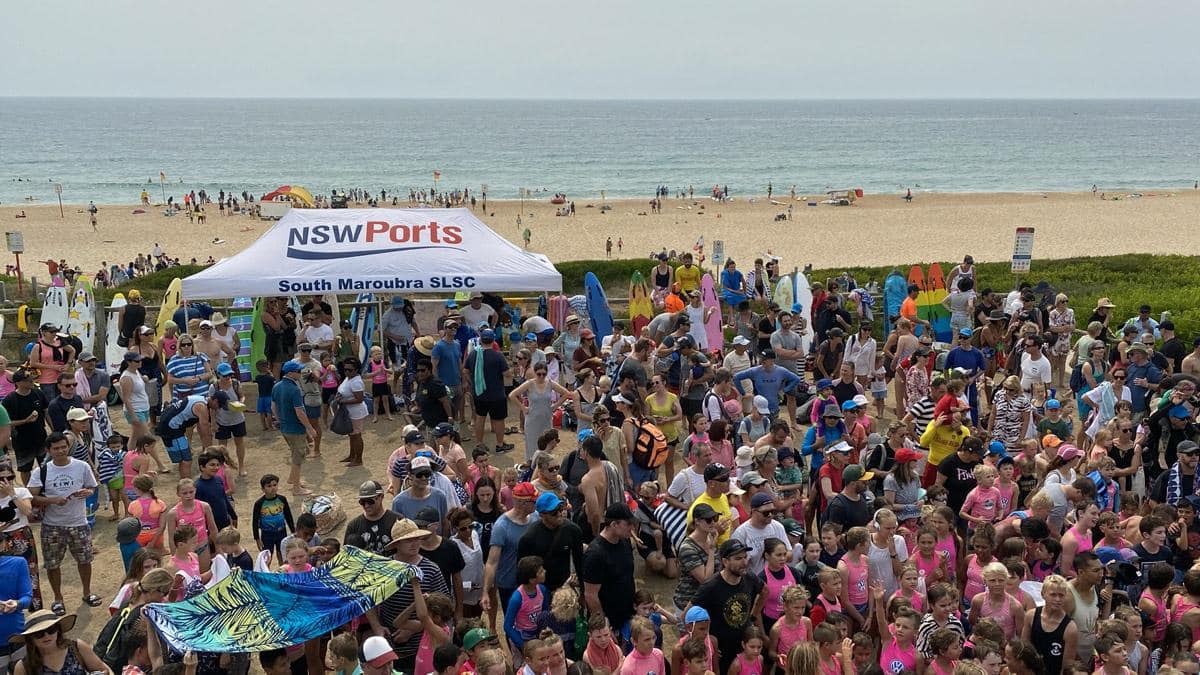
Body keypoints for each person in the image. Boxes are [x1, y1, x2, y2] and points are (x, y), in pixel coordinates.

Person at [28, 433, 100, 614]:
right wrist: (52, 500)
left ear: (68, 447)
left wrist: (87, 492)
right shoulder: (41, 471)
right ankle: (58, 598)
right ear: (48, 451)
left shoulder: (82, 466)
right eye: (56, 448)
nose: (60, 451)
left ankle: (87, 592)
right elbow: (31, 497)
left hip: (79, 522)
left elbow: (92, 487)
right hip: (52, 525)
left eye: (63, 447)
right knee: (52, 564)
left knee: (85, 560)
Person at [690, 539, 763, 675]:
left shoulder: (750, 578)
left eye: (745, 557)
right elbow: (687, 616)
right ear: (725, 562)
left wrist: (752, 616)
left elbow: (765, 591)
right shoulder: (711, 586)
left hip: (745, 646)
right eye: (738, 558)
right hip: (722, 650)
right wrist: (706, 641)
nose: (744, 562)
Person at [582, 503, 637, 635]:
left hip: (628, 614)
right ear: (613, 524)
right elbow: (590, 595)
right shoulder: (595, 554)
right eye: (628, 523)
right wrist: (603, 626)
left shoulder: (625, 542)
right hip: (610, 621)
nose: (632, 527)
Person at [517, 492, 584, 596]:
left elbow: (580, 563)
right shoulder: (529, 538)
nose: (559, 514)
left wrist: (583, 593)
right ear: (541, 515)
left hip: (565, 589)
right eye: (553, 512)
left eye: (560, 508)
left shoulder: (573, 530)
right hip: (540, 591)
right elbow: (523, 573)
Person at [10, 610, 109, 675]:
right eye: (39, 634)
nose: (46, 636)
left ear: (58, 630)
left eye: (51, 630)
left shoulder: (78, 647)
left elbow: (105, 671)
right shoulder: (23, 667)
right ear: (30, 638)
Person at [271, 360, 316, 494]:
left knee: (296, 452)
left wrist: (280, 420)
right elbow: (299, 411)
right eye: (298, 371)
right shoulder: (294, 389)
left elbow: (273, 406)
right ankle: (296, 488)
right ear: (291, 373)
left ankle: (292, 479)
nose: (300, 373)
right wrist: (310, 428)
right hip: (295, 428)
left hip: (285, 427)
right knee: (298, 457)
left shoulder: (277, 386)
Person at [467, 329, 512, 453]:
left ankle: (479, 444)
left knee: (480, 418)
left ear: (481, 340)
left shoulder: (473, 354)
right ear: (493, 340)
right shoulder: (498, 356)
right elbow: (507, 373)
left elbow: (465, 370)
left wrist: (472, 382)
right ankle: (499, 444)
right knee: (498, 420)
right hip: (496, 394)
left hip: (479, 393)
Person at [344, 480, 399, 555]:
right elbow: (347, 554)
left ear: (381, 497)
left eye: (370, 501)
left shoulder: (397, 521)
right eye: (362, 502)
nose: (366, 506)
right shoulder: (353, 526)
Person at [335, 356, 369, 468]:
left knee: (356, 435)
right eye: (345, 369)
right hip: (350, 412)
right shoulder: (348, 378)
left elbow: (359, 399)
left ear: (356, 370)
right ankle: (352, 455)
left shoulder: (356, 382)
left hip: (356, 412)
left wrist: (343, 401)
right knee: (351, 434)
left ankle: (358, 459)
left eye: (350, 370)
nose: (347, 372)